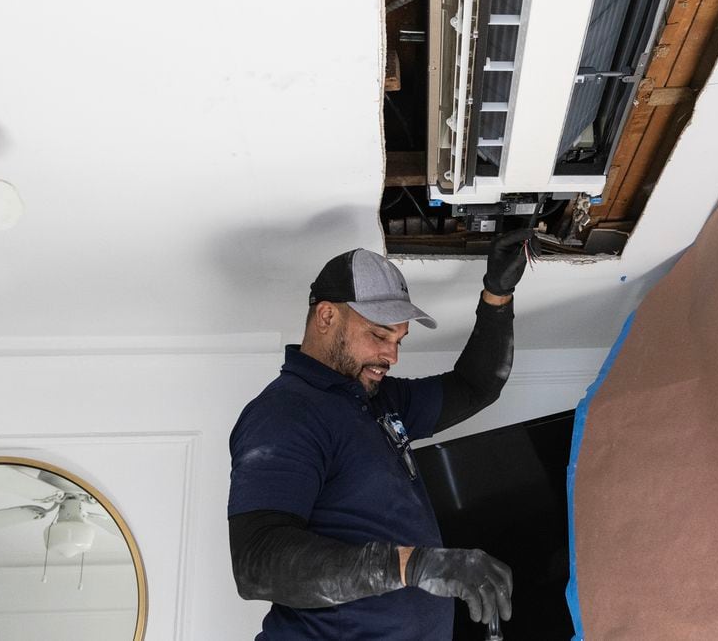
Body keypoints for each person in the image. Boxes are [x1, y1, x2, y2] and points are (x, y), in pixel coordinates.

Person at [228, 229, 535, 640]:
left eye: (398, 339)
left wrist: (497, 294)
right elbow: (257, 564)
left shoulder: (378, 400)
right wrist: (416, 565)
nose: (391, 355)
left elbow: (476, 386)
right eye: (378, 335)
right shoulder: (285, 412)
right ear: (326, 317)